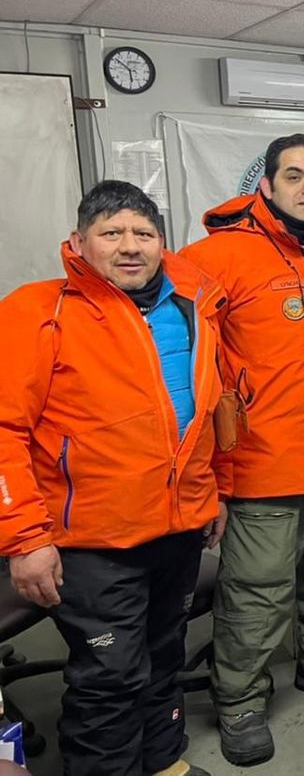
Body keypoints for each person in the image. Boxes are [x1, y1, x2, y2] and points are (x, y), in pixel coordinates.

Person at [0, 181, 223, 776]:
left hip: (177, 527)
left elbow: (204, 412)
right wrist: (25, 539)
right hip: (94, 541)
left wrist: (211, 493)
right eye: (112, 233)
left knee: (162, 657)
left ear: (161, 244)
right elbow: (4, 431)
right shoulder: (37, 311)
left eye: (144, 234)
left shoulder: (191, 307)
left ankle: (164, 762)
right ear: (79, 243)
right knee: (110, 677)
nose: (131, 246)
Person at [179, 134, 304, 767]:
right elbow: (178, 351)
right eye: (293, 175)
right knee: (258, 592)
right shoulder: (216, 257)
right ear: (264, 186)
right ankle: (239, 701)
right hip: (265, 463)